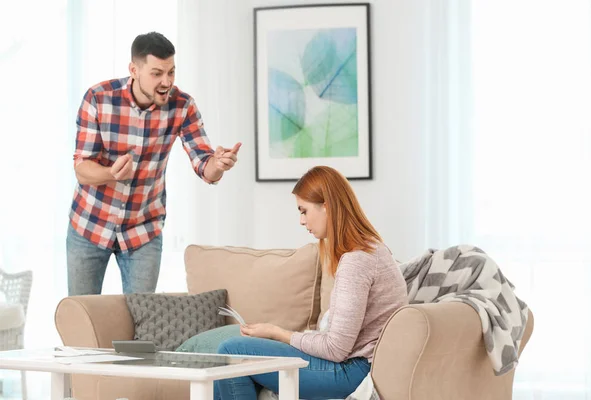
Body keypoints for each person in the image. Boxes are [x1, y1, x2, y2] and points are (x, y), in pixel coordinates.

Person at [66, 32, 241, 296]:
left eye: (171, 72)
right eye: (157, 73)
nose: (166, 81)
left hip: (143, 230)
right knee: (82, 319)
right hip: (90, 225)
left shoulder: (182, 106)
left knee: (143, 322)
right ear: (133, 70)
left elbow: (204, 164)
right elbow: (82, 169)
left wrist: (218, 164)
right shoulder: (99, 99)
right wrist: (110, 173)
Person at [215, 166, 408, 400]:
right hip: (359, 365)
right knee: (238, 354)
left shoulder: (357, 260)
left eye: (304, 211)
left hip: (353, 371)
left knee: (231, 351)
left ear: (326, 206)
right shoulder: (373, 249)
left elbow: (335, 349)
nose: (301, 220)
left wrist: (278, 333)